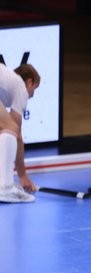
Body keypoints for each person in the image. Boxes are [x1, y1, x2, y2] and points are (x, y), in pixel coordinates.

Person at [0, 64, 40, 203]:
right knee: (11, 128)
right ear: (30, 82)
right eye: (34, 89)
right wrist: (23, 176)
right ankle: (5, 188)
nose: (32, 96)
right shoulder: (20, 87)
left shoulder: (6, 84)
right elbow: (17, 135)